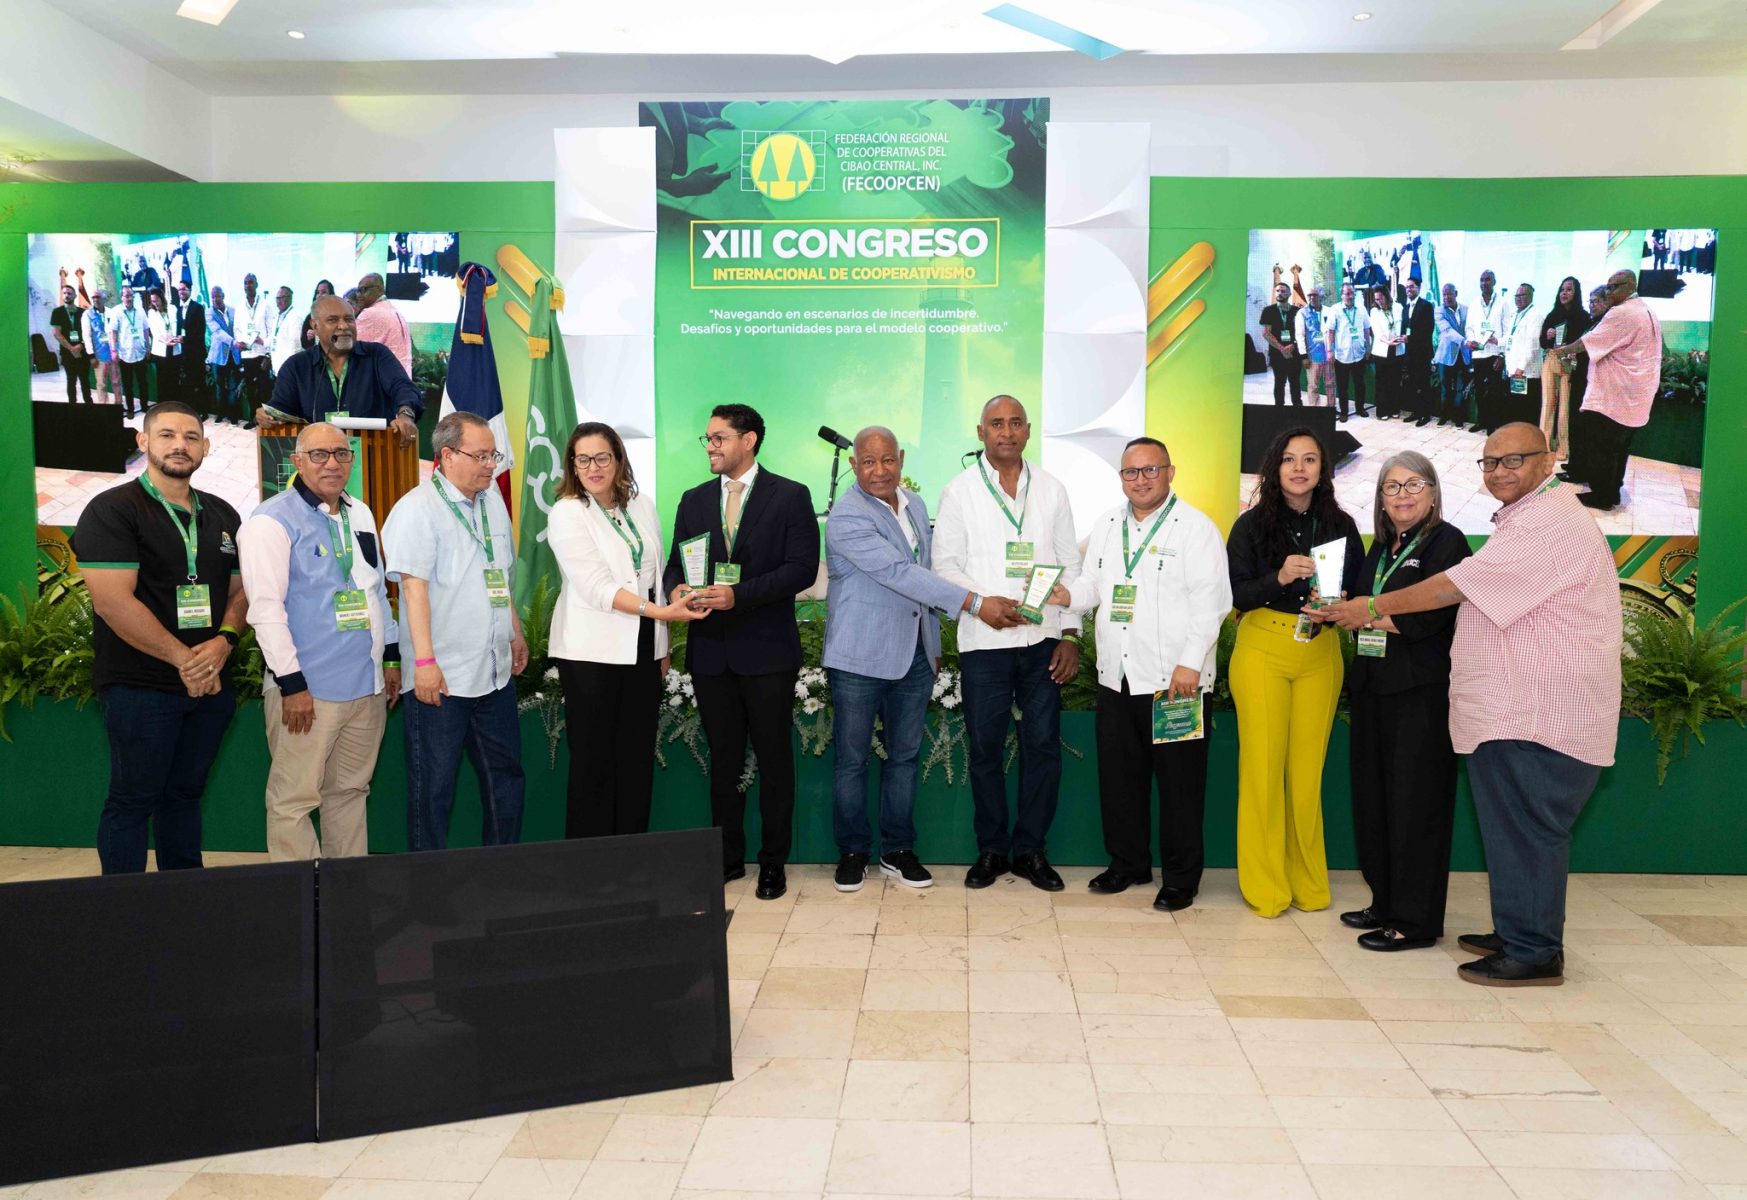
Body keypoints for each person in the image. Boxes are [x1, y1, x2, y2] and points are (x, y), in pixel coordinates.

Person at [1318, 424, 1620, 986]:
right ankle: (1518, 931)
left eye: (1514, 460)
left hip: (1537, 711)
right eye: (1490, 462)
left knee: (1528, 832)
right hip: (1515, 708)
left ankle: (1533, 951)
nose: (1500, 471)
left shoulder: (1548, 523)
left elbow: (1452, 589)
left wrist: (1372, 607)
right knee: (1511, 832)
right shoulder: (1527, 519)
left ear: (1550, 459)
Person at [73, 401, 247, 874]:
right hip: (140, 686)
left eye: (190, 437)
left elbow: (240, 593)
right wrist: (186, 661)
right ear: (143, 441)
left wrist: (224, 642)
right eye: (167, 435)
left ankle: (183, 898)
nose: (179, 445)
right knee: (133, 800)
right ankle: (126, 907)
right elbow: (113, 602)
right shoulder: (112, 510)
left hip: (209, 687)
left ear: (205, 447)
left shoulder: (223, 514)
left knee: (185, 797)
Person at [1306, 452, 1470, 950]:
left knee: (1416, 806)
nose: (1402, 495)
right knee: (1374, 801)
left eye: (1414, 484)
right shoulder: (1380, 546)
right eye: (1392, 486)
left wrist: (1365, 615)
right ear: (1380, 498)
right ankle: (1385, 901)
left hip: (1420, 694)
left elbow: (1435, 615)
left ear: (1433, 492)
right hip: (1373, 689)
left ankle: (1415, 921)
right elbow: (1360, 603)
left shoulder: (1448, 543)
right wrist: (1331, 609)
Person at [823, 426, 998, 892]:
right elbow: (898, 573)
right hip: (858, 657)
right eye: (868, 462)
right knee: (852, 761)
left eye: (887, 460)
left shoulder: (916, 504)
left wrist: (932, 647)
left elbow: (927, 573)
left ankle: (897, 850)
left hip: (915, 655)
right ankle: (853, 851)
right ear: (854, 465)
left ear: (900, 459)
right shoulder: (845, 516)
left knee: (904, 758)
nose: (879, 471)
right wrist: (975, 603)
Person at [662, 404, 820, 900]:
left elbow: (801, 569)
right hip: (711, 653)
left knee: (774, 761)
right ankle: (727, 859)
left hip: (768, 652)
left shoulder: (790, 495)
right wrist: (675, 591)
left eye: (719, 438)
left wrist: (740, 595)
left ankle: (773, 863)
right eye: (707, 439)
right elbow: (675, 564)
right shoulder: (693, 499)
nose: (710, 447)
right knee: (724, 761)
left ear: (748, 440)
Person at [1069, 437, 1229, 911]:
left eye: (1150, 470)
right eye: (1130, 472)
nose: (1140, 480)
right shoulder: (1107, 525)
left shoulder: (1196, 528)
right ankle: (1128, 864)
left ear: (1170, 472)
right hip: (1116, 676)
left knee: (1180, 786)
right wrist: (1062, 596)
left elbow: (1212, 603)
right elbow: (1092, 586)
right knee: (1120, 780)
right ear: (1121, 477)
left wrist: (1190, 663)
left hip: (1174, 682)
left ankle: (1180, 879)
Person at [934, 394, 1084, 892]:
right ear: (981, 433)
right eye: (996, 423)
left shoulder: (1053, 489)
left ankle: (1031, 850)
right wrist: (982, 604)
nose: (1006, 431)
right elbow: (944, 567)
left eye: (1015, 422)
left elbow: (1070, 566)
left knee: (1042, 746)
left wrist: (1071, 633)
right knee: (985, 748)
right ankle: (992, 850)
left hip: (1042, 639)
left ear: (1028, 430)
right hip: (985, 641)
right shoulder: (958, 492)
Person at [239, 422, 399, 861]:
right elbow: (265, 611)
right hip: (308, 692)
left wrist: (390, 658)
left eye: (341, 453)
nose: (332, 463)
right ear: (296, 461)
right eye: (319, 454)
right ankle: (301, 895)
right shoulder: (270, 521)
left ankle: (346, 892)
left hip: (366, 687)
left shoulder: (359, 513)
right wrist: (292, 685)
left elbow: (373, 589)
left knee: (349, 792)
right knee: (294, 801)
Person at [1225, 426, 1363, 918]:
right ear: (1274, 467)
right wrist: (1278, 578)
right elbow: (1236, 594)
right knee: (1263, 772)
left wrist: (1341, 603)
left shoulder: (1341, 524)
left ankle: (1307, 881)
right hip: (1263, 648)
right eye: (1289, 459)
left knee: (1306, 778)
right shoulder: (1250, 526)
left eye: (1309, 459)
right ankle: (1265, 886)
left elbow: (1358, 590)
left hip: (1320, 653)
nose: (1299, 468)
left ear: (1323, 468)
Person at [548, 421, 702, 839]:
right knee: (593, 763)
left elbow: (653, 577)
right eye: (583, 460)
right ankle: (591, 863)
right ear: (572, 466)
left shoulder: (641, 505)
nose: (593, 468)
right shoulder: (567, 512)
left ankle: (633, 856)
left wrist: (661, 643)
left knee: (635, 758)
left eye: (602, 457)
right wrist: (661, 613)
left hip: (642, 647)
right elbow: (597, 587)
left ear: (618, 459)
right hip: (590, 652)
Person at [382, 411, 529, 850]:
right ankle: (429, 882)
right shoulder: (416, 509)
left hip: (494, 673)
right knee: (434, 790)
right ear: (447, 455)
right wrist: (424, 663)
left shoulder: (492, 502)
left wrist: (515, 630)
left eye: (493, 455)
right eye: (481, 456)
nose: (491, 465)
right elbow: (413, 592)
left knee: (506, 780)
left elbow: (498, 574)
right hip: (442, 679)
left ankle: (500, 870)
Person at [1555, 270, 1663, 511]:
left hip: (1616, 396)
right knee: (1619, 449)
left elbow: (1587, 343)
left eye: (1613, 287)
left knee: (1603, 447)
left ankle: (1602, 496)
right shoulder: (1646, 310)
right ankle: (1612, 491)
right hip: (1635, 395)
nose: (1608, 292)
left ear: (1630, 286)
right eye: (1607, 287)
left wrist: (1562, 350)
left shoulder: (1622, 312)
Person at [266, 295, 422, 446]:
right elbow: (280, 407)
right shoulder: (296, 366)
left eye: (349, 319)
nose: (344, 326)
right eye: (333, 320)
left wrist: (405, 414)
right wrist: (267, 416)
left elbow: (403, 387)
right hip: (318, 457)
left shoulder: (377, 355)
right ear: (315, 326)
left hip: (374, 455)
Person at [1538, 276, 1591, 462]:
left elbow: (1585, 344)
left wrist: (1572, 352)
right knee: (1547, 405)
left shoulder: (1584, 317)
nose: (1564, 293)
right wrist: (1547, 336)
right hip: (1551, 360)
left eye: (1569, 290)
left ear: (1576, 293)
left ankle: (1563, 448)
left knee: (1565, 409)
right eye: (1562, 289)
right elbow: (1542, 343)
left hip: (1569, 364)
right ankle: (1544, 445)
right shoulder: (1552, 315)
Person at [1465, 269, 1509, 433]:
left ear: (1494, 282)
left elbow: (1507, 332)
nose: (1484, 283)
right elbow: (1469, 328)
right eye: (1482, 280)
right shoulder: (1474, 304)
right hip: (1478, 353)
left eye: (1488, 279)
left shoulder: (1503, 303)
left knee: (1494, 391)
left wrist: (1502, 355)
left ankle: (1492, 424)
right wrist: (1470, 340)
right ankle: (1482, 421)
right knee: (1479, 390)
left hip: (1494, 354)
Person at [354, 273, 414, 377]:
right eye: (358, 291)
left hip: (384, 382)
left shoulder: (371, 313)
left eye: (363, 290)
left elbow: (351, 350)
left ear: (379, 289)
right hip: (401, 381)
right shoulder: (394, 311)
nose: (358, 295)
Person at [1501, 282, 1543, 428]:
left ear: (1530, 296)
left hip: (1526, 373)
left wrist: (1521, 368)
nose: (1518, 298)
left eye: (1522, 295)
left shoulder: (1535, 315)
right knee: (1516, 408)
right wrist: (1497, 341)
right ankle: (1517, 436)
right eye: (1516, 295)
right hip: (1515, 371)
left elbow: (1532, 345)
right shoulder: (1516, 315)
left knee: (1526, 410)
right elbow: (1510, 338)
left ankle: (1528, 438)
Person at [1328, 281, 1371, 421]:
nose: (1350, 296)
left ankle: (1360, 408)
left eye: (1352, 293)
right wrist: (1330, 351)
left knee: (1360, 384)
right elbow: (1330, 332)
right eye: (1347, 293)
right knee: (1343, 386)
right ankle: (1344, 412)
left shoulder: (1361, 309)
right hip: (1342, 355)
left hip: (1359, 354)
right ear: (1341, 295)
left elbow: (1366, 329)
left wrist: (1368, 347)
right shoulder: (1335, 310)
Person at [237, 273, 276, 423]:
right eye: (245, 283)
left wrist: (267, 353)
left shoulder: (266, 305)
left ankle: (265, 420)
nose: (248, 285)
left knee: (264, 389)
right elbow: (237, 329)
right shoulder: (240, 306)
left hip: (261, 353)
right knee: (251, 389)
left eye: (251, 282)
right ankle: (253, 420)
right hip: (247, 353)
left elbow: (272, 331)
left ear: (256, 284)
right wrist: (239, 341)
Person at [1258, 282, 1302, 406]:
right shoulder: (1268, 310)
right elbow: (1266, 333)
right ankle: (1279, 409)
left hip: (1294, 353)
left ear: (1289, 294)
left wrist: (1293, 345)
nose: (1280, 293)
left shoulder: (1298, 311)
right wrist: (1282, 349)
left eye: (1283, 291)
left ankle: (1297, 408)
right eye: (1278, 291)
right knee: (1279, 382)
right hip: (1277, 354)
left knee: (1295, 382)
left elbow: (1302, 333)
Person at [1399, 277, 1435, 425]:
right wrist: (1401, 337)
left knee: (1423, 384)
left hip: (1423, 353)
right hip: (1410, 353)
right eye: (1407, 287)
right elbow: (1404, 328)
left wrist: (1410, 338)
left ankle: (1425, 415)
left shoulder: (1426, 306)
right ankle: (1416, 412)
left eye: (1412, 286)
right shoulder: (1405, 307)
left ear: (1419, 288)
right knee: (1413, 384)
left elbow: (1428, 330)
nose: (1409, 289)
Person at [50, 284, 92, 404]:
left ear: (75, 295)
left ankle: (89, 405)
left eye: (69, 293)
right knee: (71, 380)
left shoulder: (83, 312)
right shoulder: (57, 312)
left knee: (85, 380)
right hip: (67, 352)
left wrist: (81, 345)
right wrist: (72, 348)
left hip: (82, 352)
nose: (66, 295)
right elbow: (56, 333)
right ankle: (72, 406)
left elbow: (88, 332)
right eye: (64, 293)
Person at [1367, 285, 1405, 420]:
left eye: (1381, 298)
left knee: (1395, 380)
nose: (1379, 302)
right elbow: (1377, 332)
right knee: (1382, 382)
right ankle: (1382, 411)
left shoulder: (1398, 307)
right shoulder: (1374, 311)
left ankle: (1394, 408)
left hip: (1397, 349)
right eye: (1376, 299)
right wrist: (1388, 342)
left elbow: (1403, 325)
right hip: (1382, 350)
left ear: (1387, 296)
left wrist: (1402, 338)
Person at [1433, 283, 1469, 426]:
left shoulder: (1466, 309)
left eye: (1449, 294)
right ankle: (1444, 416)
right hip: (1446, 355)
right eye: (1444, 294)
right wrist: (1465, 341)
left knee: (1460, 388)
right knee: (1445, 388)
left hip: (1463, 355)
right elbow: (1447, 331)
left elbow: (1470, 328)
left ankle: (1458, 418)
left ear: (1456, 294)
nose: (1446, 297)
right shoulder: (1439, 311)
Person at [206, 286, 241, 426]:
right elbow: (218, 332)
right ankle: (221, 413)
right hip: (218, 356)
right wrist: (233, 342)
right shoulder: (209, 312)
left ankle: (233, 415)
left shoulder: (233, 311)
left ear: (223, 296)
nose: (215, 299)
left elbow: (238, 329)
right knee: (220, 386)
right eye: (213, 297)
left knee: (233, 386)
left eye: (217, 296)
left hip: (233, 354)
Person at [113, 285, 150, 417]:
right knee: (128, 384)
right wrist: (114, 350)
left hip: (140, 352)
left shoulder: (140, 310)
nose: (129, 298)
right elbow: (113, 332)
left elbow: (146, 330)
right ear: (121, 297)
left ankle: (145, 406)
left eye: (131, 295)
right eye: (127, 296)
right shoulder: (116, 311)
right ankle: (130, 409)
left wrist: (148, 347)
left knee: (143, 382)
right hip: (125, 354)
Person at [175, 281, 209, 418]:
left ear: (190, 290)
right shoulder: (178, 309)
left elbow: (200, 331)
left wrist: (185, 338)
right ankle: (192, 410)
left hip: (197, 352)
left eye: (184, 289)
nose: (181, 292)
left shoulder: (198, 307)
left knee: (199, 382)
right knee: (188, 383)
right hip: (184, 353)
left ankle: (203, 411)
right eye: (179, 289)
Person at [82, 290, 120, 408]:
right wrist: (91, 356)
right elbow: (86, 336)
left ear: (104, 299)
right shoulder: (87, 314)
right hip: (99, 355)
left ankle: (118, 404)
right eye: (93, 297)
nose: (95, 300)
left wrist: (117, 351)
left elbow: (116, 332)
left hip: (113, 353)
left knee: (116, 381)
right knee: (101, 384)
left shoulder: (111, 312)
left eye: (98, 297)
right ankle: (103, 407)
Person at [1294, 286, 1331, 407]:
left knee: (1330, 384)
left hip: (1329, 354)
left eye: (1314, 295)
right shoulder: (1302, 313)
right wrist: (1304, 356)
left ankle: (1331, 407)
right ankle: (1314, 409)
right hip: (1312, 355)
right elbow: (1299, 335)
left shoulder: (1329, 311)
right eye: (1309, 295)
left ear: (1320, 296)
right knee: (1313, 385)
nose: (1312, 298)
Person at [145, 290, 181, 407]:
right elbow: (155, 332)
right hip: (160, 351)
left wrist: (177, 338)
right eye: (153, 301)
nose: (155, 303)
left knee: (174, 378)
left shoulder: (172, 308)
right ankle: (164, 405)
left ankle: (175, 404)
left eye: (157, 300)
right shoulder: (151, 313)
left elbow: (178, 325)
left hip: (175, 348)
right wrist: (166, 341)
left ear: (162, 298)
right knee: (162, 380)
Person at [269, 286, 302, 377]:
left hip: (289, 370)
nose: (279, 301)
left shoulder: (295, 317)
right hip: (277, 368)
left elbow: (295, 347)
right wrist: (261, 341)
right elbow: (274, 338)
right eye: (277, 298)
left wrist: (289, 369)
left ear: (289, 298)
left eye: (282, 298)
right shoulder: (277, 316)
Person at [300, 279, 335, 351]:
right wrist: (310, 339)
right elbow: (304, 345)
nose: (319, 295)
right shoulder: (310, 317)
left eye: (323, 292)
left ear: (331, 295)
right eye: (317, 292)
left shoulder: (337, 314)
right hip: (316, 355)